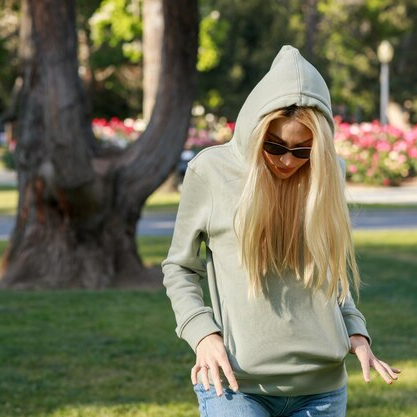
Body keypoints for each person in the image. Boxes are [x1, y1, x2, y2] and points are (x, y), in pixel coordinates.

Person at [162, 45, 400, 417]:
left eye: (302, 150)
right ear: (257, 133)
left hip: (321, 389)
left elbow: (330, 270)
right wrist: (203, 334)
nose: (287, 160)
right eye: (275, 146)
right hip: (236, 384)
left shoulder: (328, 173)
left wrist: (355, 332)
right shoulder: (211, 171)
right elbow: (179, 267)